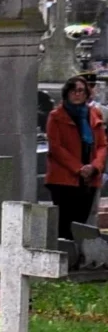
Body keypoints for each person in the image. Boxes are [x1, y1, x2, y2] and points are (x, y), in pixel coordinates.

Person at [45, 75, 106, 242]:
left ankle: (79, 258)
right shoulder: (56, 116)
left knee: (82, 222)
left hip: (89, 179)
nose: (77, 94)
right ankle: (66, 257)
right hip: (64, 179)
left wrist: (94, 167)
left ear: (87, 93)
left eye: (81, 91)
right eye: (73, 91)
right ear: (66, 94)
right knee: (65, 225)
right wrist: (79, 168)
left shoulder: (94, 114)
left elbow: (101, 145)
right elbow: (56, 148)